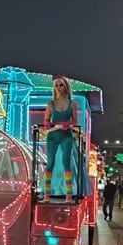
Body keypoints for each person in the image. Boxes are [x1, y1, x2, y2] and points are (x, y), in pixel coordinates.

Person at [42, 75, 77, 203]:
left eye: (61, 85)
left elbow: (74, 120)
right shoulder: (50, 104)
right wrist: (48, 124)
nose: (58, 88)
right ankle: (46, 195)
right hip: (52, 136)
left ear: (66, 87)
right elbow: (46, 120)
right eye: (56, 85)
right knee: (50, 163)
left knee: (66, 162)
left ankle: (68, 195)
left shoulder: (72, 103)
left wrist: (67, 124)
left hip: (66, 135)